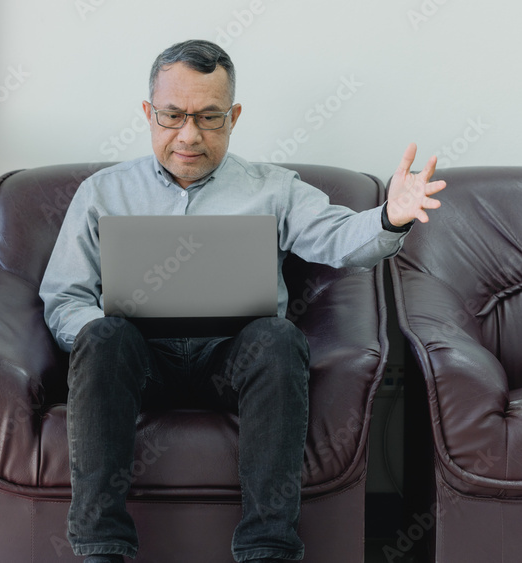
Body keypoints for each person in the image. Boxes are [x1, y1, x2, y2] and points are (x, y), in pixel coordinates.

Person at [39, 39, 444, 563]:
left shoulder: (273, 189)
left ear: (233, 117)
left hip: (233, 363)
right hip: (137, 365)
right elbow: (64, 298)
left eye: (209, 117)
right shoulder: (103, 192)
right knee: (101, 334)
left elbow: (344, 241)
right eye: (173, 116)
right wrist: (101, 332)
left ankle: (268, 549)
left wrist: (391, 216)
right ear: (148, 113)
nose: (189, 134)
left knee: (277, 336)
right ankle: (101, 549)